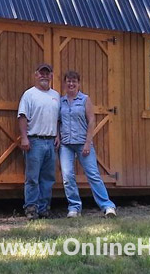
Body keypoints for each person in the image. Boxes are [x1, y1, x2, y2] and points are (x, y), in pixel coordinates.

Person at [57, 71, 116, 218]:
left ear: (78, 83)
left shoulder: (85, 99)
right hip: (66, 145)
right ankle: (74, 207)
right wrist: (57, 136)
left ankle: (108, 206)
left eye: (74, 81)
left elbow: (91, 121)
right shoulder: (61, 101)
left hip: (83, 143)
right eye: (68, 81)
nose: (71, 84)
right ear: (65, 83)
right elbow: (58, 121)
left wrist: (88, 143)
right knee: (67, 176)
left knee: (93, 175)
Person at [18, 63, 60, 220]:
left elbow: (57, 119)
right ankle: (31, 208)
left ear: (51, 76)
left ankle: (44, 208)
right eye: (41, 73)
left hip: (51, 142)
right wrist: (24, 137)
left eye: (47, 73)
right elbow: (22, 116)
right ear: (36, 75)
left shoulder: (56, 95)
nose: (44, 75)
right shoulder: (29, 95)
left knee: (48, 178)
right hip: (34, 141)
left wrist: (57, 135)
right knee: (32, 177)